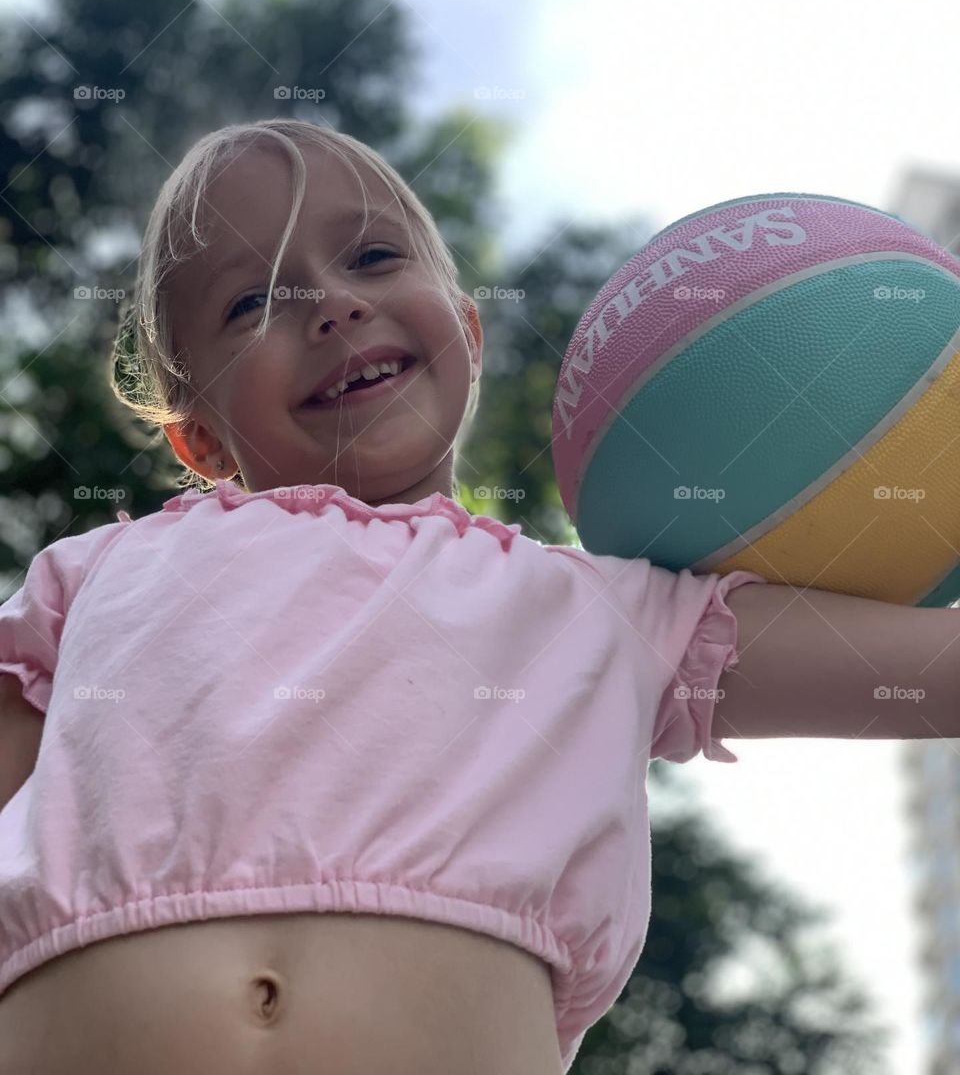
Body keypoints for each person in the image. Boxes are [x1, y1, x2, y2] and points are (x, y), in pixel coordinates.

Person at [0, 118, 950, 1074]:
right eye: (251, 302)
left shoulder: (605, 614)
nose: (330, 304)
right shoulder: (98, 575)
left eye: (371, 255)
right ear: (198, 439)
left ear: (466, 326)